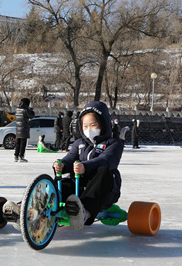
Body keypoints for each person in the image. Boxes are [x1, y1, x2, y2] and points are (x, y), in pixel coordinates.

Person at [52, 101, 124, 231]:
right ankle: (33, 206)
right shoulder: (79, 143)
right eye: (85, 126)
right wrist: (62, 165)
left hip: (105, 189)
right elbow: (70, 158)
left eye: (93, 125)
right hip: (79, 186)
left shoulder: (114, 143)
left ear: (103, 124)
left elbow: (107, 160)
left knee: (103, 171)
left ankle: (84, 212)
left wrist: (85, 166)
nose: (89, 130)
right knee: (65, 184)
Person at [14, 98, 35, 162]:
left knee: (18, 142)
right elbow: (31, 116)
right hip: (24, 128)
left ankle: (16, 156)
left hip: (18, 128)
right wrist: (31, 110)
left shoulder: (17, 109)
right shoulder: (25, 110)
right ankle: (21, 156)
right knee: (23, 143)